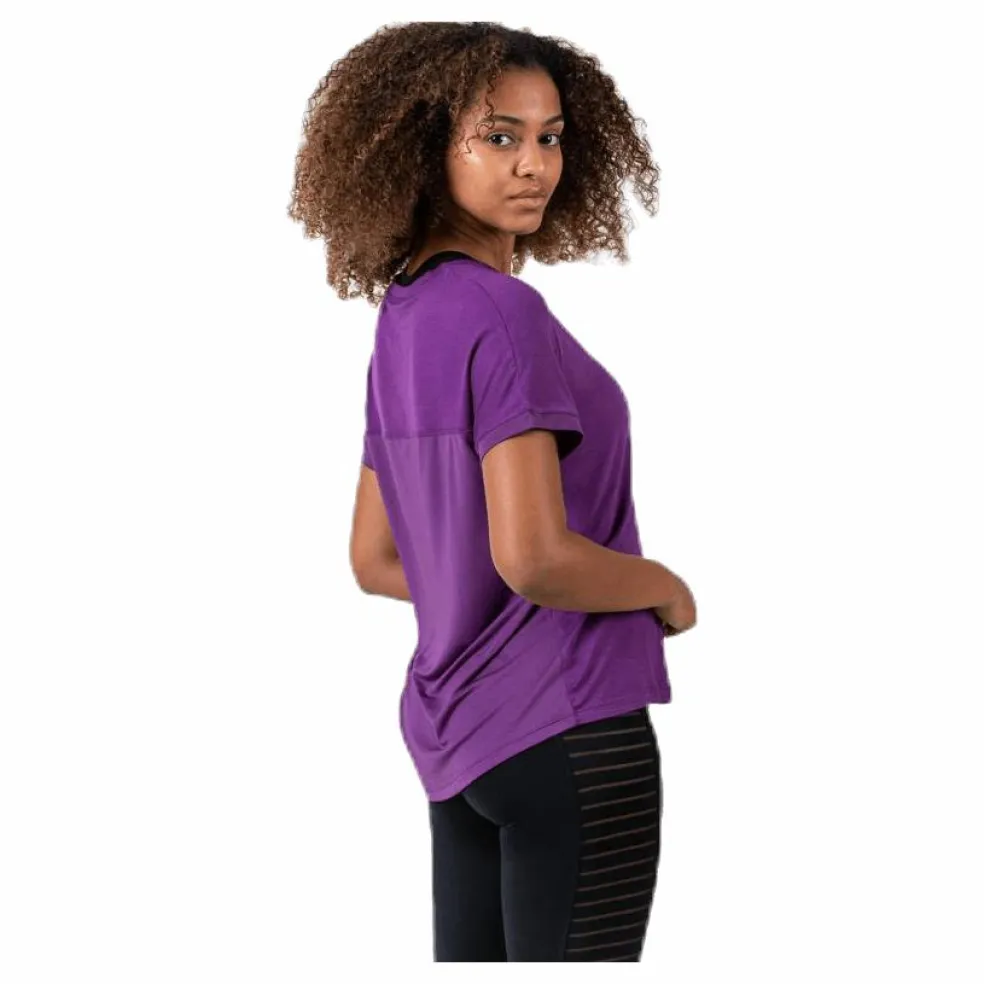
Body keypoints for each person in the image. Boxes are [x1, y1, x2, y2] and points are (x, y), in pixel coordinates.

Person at [289, 21, 697, 962]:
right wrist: (663, 587)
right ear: (424, 146)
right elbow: (535, 558)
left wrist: (489, 603)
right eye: (499, 136)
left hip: (461, 742)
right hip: (572, 725)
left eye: (550, 137)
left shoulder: (407, 315)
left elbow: (376, 559)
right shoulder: (504, 313)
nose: (533, 165)